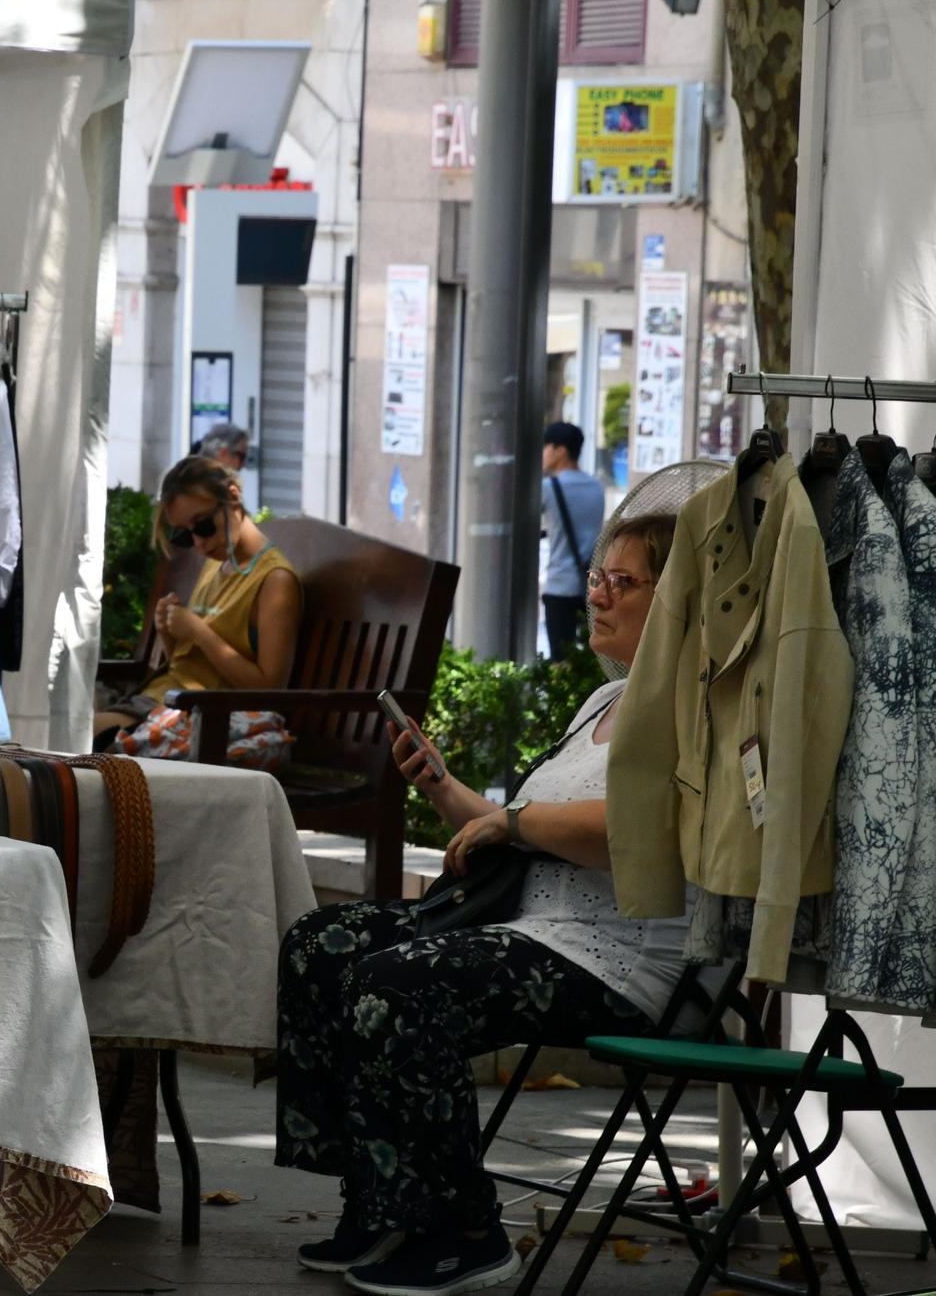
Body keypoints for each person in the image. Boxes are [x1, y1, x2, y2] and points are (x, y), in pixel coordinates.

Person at [273, 512, 692, 1296]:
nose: (596, 594)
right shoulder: (602, 702)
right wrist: (441, 784)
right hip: (528, 928)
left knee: (400, 981)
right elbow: (513, 833)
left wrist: (517, 820)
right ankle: (379, 1196)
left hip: (617, 957)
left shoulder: (690, 707)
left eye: (620, 582)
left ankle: (465, 1229)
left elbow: (644, 833)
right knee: (319, 943)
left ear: (676, 597)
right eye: (597, 577)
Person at [93, 454, 302, 762]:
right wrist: (169, 632)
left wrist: (198, 631)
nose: (199, 542)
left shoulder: (274, 581)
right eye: (185, 534)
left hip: (200, 717)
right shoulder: (218, 564)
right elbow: (187, 664)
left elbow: (269, 689)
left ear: (233, 497)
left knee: (72, 740)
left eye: (203, 526)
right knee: (57, 734)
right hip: (164, 703)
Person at [540, 420, 605, 661]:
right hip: (589, 589)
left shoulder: (549, 487)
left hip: (559, 586)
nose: (543, 454)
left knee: (560, 661)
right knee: (589, 661)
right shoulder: (597, 487)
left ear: (560, 451)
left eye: (547, 446)